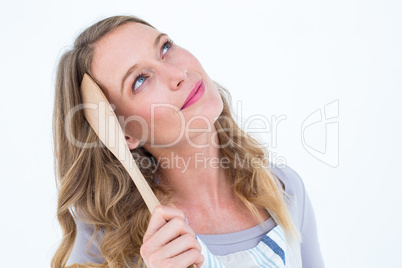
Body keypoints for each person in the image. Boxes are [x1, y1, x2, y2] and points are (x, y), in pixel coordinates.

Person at [52, 15, 325, 268]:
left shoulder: (285, 190)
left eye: (165, 47)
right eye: (140, 80)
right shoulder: (104, 241)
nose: (178, 74)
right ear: (125, 135)